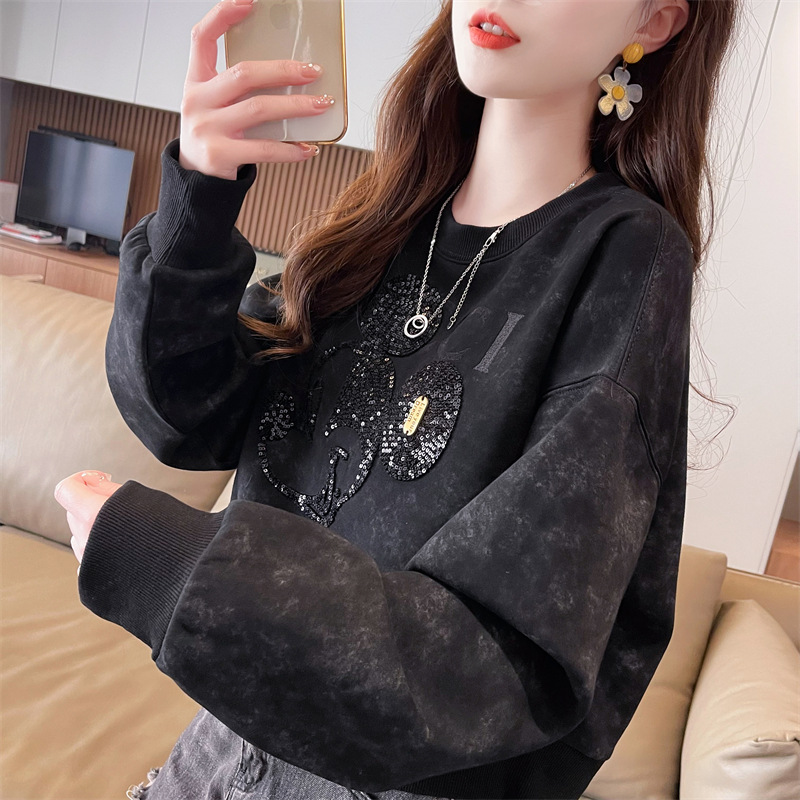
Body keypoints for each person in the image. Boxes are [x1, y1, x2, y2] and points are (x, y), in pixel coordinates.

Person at [53, 0, 743, 798]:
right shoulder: (388, 218)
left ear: (654, 22)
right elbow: (189, 412)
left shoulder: (626, 256)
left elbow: (498, 663)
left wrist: (171, 564)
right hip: (218, 754)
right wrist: (200, 195)